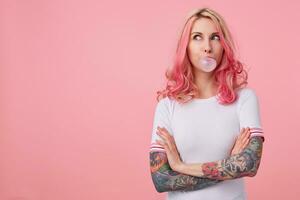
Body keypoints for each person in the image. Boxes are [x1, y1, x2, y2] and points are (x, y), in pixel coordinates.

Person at [149, 7, 265, 200]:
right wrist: (229, 165)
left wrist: (180, 167)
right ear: (185, 46)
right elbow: (161, 179)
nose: (207, 47)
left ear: (224, 45)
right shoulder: (167, 106)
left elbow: (249, 164)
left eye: (215, 37)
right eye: (197, 37)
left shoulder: (244, 99)